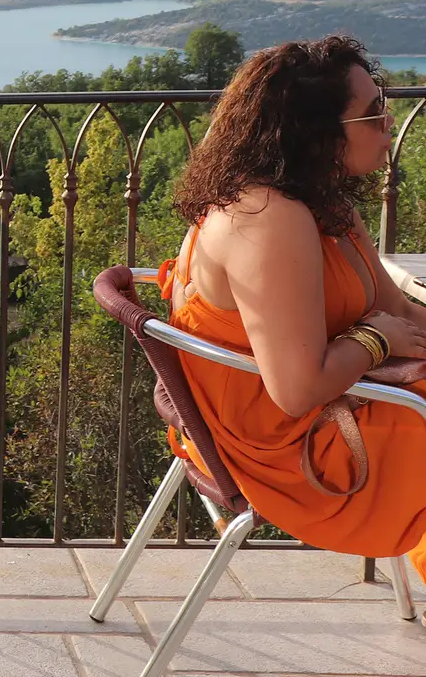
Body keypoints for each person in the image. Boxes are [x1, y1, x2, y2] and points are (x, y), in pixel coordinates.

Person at [161, 35, 426, 584]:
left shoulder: (320, 202)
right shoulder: (266, 219)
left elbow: (395, 303)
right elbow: (298, 389)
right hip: (292, 453)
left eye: (386, 105)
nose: (389, 125)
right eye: (373, 113)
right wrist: (375, 339)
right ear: (316, 131)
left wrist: (387, 329)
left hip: (335, 411)